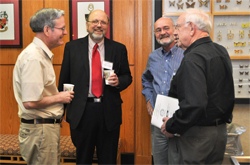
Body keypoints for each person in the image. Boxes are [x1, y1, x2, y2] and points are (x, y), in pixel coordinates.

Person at [161, 8, 235, 164]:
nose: (175, 32)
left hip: (196, 138)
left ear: (192, 28)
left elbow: (195, 105)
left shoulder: (193, 58)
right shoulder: (221, 51)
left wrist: (171, 126)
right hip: (219, 134)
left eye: (178, 27)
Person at [58, 9, 132, 164]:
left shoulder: (118, 48)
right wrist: (62, 110)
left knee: (108, 159)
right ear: (87, 25)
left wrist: (119, 81)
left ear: (107, 26)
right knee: (83, 159)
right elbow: (65, 80)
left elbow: (127, 77)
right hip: (82, 112)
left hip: (109, 111)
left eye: (103, 22)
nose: (99, 25)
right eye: (95, 22)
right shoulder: (72, 47)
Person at [13, 8, 74, 165]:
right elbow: (30, 102)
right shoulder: (34, 57)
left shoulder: (40, 55)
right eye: (62, 28)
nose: (66, 32)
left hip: (44, 130)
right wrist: (60, 98)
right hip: (41, 132)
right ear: (47, 30)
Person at [141, 17, 184, 165]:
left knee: (178, 161)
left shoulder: (187, 55)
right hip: (158, 122)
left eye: (166, 28)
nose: (163, 33)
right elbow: (146, 80)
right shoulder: (153, 57)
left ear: (175, 30)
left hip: (180, 120)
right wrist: (148, 100)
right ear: (154, 33)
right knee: (160, 162)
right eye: (158, 30)